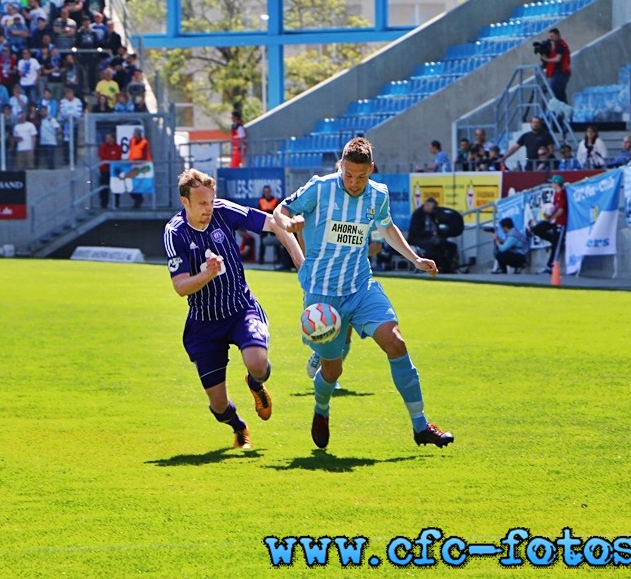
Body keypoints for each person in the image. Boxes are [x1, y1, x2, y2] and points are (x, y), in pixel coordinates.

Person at [272, 137, 454, 450]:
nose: (355, 183)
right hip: (322, 295)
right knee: (332, 369)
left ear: (371, 170)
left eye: (362, 177)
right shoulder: (321, 187)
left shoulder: (378, 194)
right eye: (349, 175)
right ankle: (321, 409)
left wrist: (415, 258)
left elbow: (387, 227)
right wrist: (289, 222)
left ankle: (421, 425)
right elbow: (279, 209)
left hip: (361, 286)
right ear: (341, 167)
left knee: (396, 344)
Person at [164, 169, 303, 450]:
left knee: (258, 365)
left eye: (211, 201)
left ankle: (255, 384)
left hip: (240, 308)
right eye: (201, 203)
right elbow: (180, 287)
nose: (208, 209)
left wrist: (301, 263)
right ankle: (238, 426)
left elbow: (274, 223)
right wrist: (207, 275)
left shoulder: (223, 211)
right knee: (217, 407)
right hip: (204, 323)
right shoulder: (174, 233)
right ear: (185, 202)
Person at [407, 197, 459, 273]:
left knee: (450, 246)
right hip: (418, 238)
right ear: (426, 205)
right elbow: (416, 231)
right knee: (433, 246)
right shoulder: (418, 215)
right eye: (431, 208)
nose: (432, 210)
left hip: (432, 237)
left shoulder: (433, 215)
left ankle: (447, 266)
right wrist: (431, 234)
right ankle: (430, 266)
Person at [531, 174, 567, 274]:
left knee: (555, 246)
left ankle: (551, 266)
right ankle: (553, 239)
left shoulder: (562, 194)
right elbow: (555, 208)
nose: (551, 184)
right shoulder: (555, 195)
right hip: (554, 221)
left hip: (560, 222)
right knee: (537, 228)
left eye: (552, 182)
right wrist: (547, 215)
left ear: (556, 184)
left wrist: (551, 217)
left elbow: (561, 210)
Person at [540, 27, 571, 104]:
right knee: (558, 93)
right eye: (550, 37)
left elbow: (558, 59)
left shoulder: (560, 45)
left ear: (558, 35)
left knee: (557, 91)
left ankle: (563, 109)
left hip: (561, 72)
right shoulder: (558, 45)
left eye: (552, 36)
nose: (551, 39)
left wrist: (547, 60)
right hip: (559, 72)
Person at [127, 128, 151, 209]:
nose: (134, 134)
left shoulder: (144, 142)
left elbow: (144, 154)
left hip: (141, 165)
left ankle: (138, 201)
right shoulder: (132, 140)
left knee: (138, 184)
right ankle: (138, 199)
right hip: (133, 165)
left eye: (135, 133)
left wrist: (137, 161)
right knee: (130, 183)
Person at [256, 185, 279, 265]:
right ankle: (261, 259)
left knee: (277, 241)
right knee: (262, 242)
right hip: (263, 223)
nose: (267, 193)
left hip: (273, 223)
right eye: (265, 192)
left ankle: (278, 258)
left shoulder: (275, 200)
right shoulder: (261, 201)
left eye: (268, 192)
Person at [97, 132, 122, 209]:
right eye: (106, 138)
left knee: (116, 188)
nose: (107, 139)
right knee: (104, 188)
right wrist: (111, 157)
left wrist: (110, 158)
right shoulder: (103, 146)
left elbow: (117, 157)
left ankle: (116, 204)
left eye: (108, 138)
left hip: (115, 171)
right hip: (105, 170)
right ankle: (103, 205)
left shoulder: (118, 147)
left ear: (113, 138)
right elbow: (103, 156)